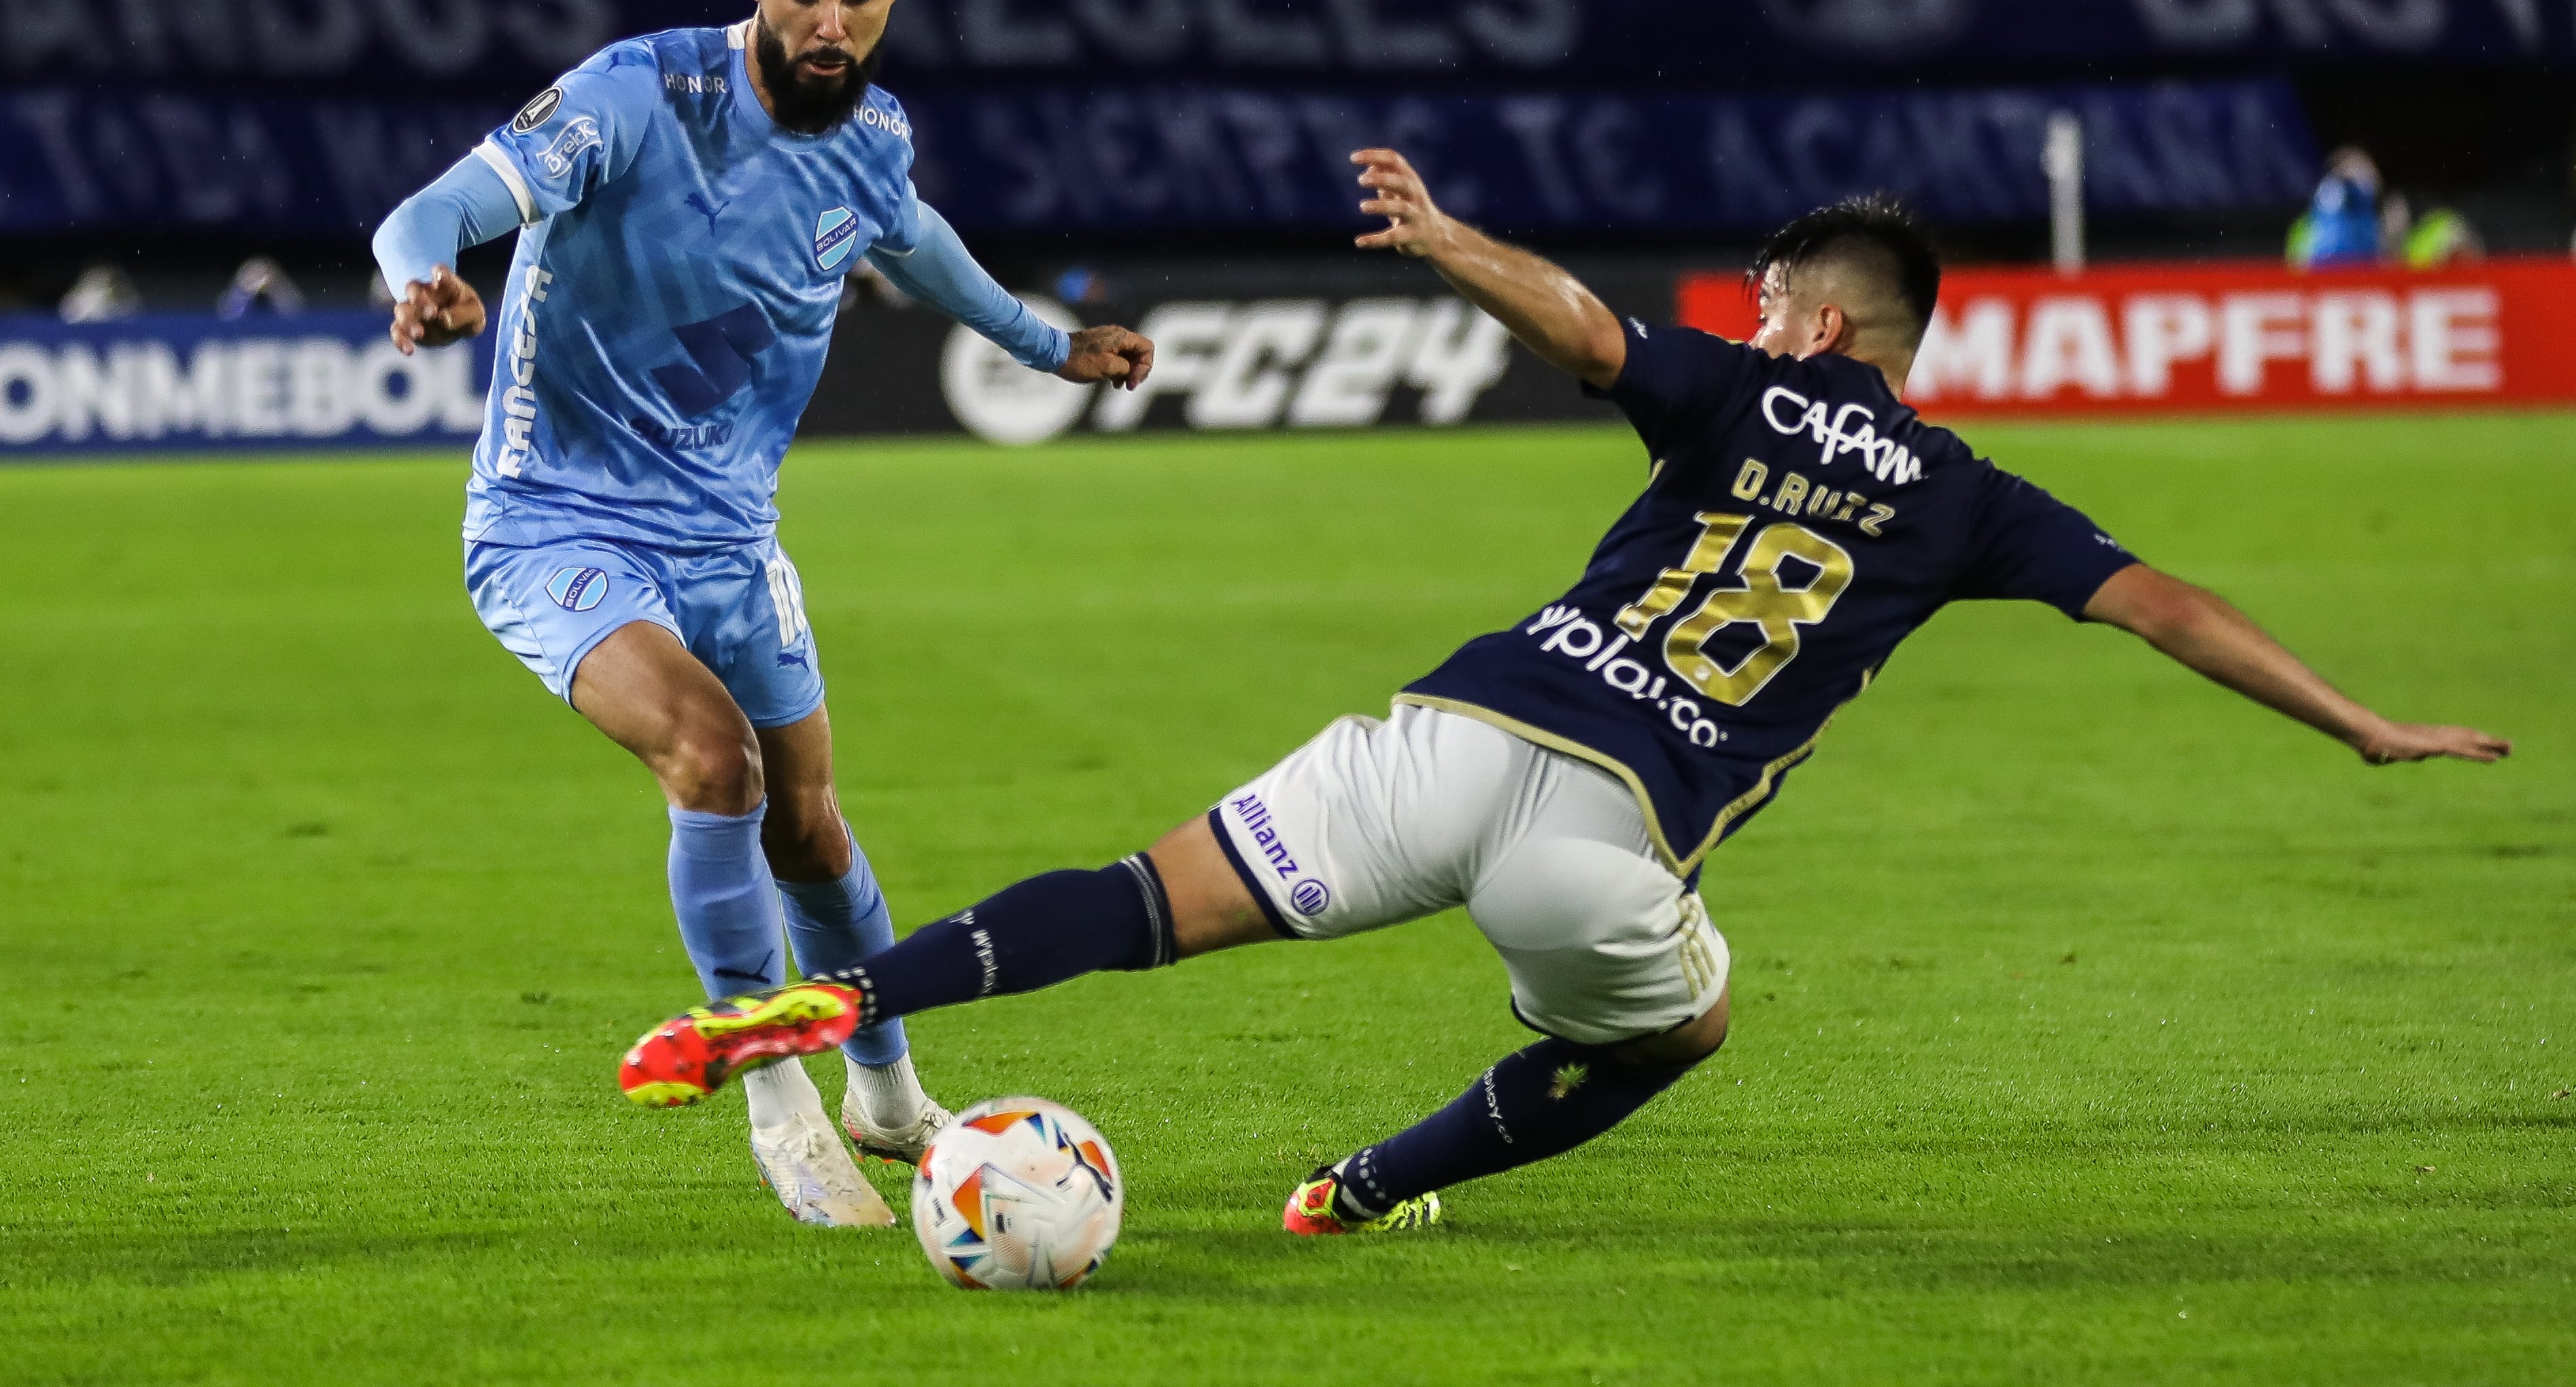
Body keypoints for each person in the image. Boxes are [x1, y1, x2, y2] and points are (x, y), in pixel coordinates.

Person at [617, 156, 2507, 1235]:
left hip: (1461, 728)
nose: (1755, 309)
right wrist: (2354, 717)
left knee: (1141, 897)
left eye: (1772, 292)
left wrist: (1443, 243)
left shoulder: (1737, 390)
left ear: (1816, 322)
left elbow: (1582, 324)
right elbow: (2159, 603)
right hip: (1612, 838)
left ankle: (837, 998)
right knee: (1676, 1031)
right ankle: (1358, 1186)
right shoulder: (1965, 496)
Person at [370, 0, 1154, 1228]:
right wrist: (425, 277)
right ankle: (777, 1099)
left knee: (811, 831)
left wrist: (1050, 345)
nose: (829, 23)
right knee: (712, 760)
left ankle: (888, 1088)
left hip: (733, 546)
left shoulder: (871, 139)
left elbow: (914, 244)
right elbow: (429, 210)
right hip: (560, 524)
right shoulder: (632, 95)